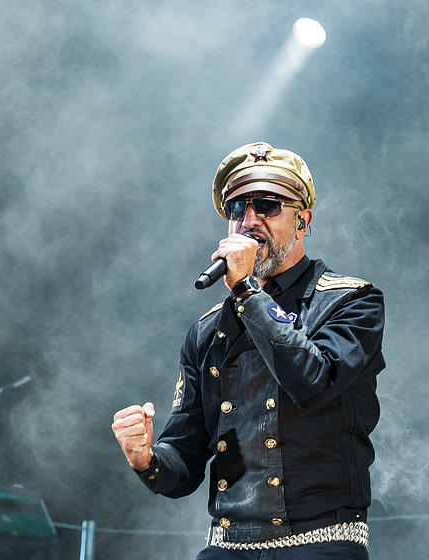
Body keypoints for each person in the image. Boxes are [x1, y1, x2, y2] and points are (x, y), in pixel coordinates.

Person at [112, 142, 386, 559]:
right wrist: (146, 458)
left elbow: (313, 381)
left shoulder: (352, 302)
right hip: (228, 546)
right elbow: (184, 459)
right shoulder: (206, 332)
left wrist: (245, 289)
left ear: (303, 220)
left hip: (320, 543)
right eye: (237, 208)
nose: (249, 220)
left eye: (267, 206)